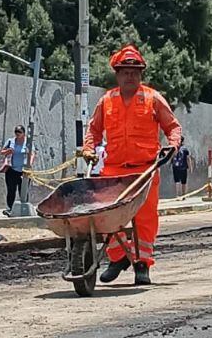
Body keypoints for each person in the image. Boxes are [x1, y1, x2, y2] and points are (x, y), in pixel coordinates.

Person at [82, 45, 182, 286]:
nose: (130, 76)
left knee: (145, 219)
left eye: (135, 72)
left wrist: (172, 146)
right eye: (125, 72)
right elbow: (93, 130)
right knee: (106, 216)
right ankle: (118, 257)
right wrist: (88, 149)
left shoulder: (152, 98)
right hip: (114, 170)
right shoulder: (107, 101)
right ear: (117, 75)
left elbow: (173, 127)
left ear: (141, 75)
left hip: (145, 170)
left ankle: (142, 264)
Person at [0, 125, 32, 216]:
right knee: (11, 190)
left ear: (24, 133)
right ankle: (10, 209)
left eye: (19, 132)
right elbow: (2, 152)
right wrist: (8, 151)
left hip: (24, 171)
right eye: (16, 132)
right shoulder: (11, 141)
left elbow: (32, 154)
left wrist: (29, 165)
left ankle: (24, 209)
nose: (17, 134)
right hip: (11, 170)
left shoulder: (28, 143)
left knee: (23, 191)